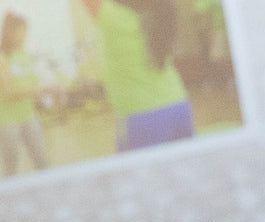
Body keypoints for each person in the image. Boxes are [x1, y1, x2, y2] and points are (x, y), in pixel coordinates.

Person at [80, 0, 193, 152]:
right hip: (179, 105)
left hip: (142, 114)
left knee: (135, 175)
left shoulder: (111, 15)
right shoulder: (161, 10)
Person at [0, 13, 50, 176]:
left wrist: (48, 89)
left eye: (25, 31)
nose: (24, 36)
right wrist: (38, 91)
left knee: (42, 161)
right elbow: (8, 92)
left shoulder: (24, 54)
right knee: (11, 167)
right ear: (9, 33)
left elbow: (32, 81)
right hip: (8, 121)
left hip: (29, 116)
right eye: (21, 31)